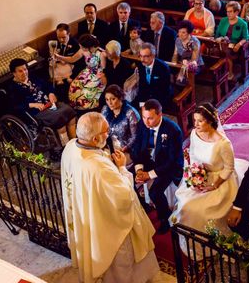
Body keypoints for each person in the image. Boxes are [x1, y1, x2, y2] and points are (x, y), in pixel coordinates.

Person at [60, 112, 159, 283]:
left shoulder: (70, 147)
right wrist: (121, 168)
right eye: (106, 131)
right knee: (122, 263)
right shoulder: (97, 167)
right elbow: (123, 197)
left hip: (88, 213)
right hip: (110, 225)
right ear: (94, 139)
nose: (109, 133)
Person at [172, 103, 239, 249]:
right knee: (185, 204)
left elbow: (229, 168)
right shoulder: (194, 134)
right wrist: (194, 175)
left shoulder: (223, 144)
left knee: (200, 211)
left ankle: (207, 242)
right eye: (194, 120)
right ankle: (190, 239)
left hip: (220, 180)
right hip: (199, 175)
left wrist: (215, 184)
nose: (195, 124)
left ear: (210, 121)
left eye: (200, 121)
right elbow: (193, 155)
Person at [129, 99, 184, 234]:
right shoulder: (143, 124)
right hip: (150, 160)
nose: (146, 122)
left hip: (168, 166)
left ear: (160, 115)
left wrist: (149, 174)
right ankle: (143, 207)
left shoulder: (173, 130)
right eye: (144, 117)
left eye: (150, 119)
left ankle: (165, 218)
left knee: (155, 192)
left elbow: (171, 161)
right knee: (128, 178)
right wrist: (139, 170)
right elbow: (137, 148)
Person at [7, 58, 77, 144]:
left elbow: (47, 86)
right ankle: (66, 145)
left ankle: (75, 143)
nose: (24, 73)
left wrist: (51, 93)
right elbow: (15, 107)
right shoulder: (13, 88)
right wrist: (31, 104)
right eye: (20, 71)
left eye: (25, 69)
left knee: (70, 113)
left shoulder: (32, 77)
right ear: (14, 73)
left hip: (50, 104)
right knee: (60, 120)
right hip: (38, 112)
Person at [56, 34, 107, 111]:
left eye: (82, 47)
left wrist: (99, 79)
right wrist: (59, 57)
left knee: (86, 92)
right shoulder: (83, 50)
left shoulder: (101, 54)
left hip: (98, 75)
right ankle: (75, 105)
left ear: (89, 47)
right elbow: (72, 59)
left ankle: (84, 106)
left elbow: (104, 69)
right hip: (87, 72)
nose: (81, 49)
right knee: (74, 87)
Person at [214, 1, 249, 81]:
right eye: (227, 11)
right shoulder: (223, 20)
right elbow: (217, 34)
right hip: (222, 43)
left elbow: (246, 37)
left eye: (230, 12)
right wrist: (219, 38)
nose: (228, 14)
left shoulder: (242, 23)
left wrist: (239, 44)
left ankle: (230, 73)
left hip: (234, 46)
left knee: (227, 52)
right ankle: (219, 73)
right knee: (215, 51)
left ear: (236, 12)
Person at [101, 84, 139, 154]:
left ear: (120, 98)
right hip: (107, 147)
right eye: (107, 99)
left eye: (113, 99)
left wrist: (124, 149)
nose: (110, 103)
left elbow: (135, 136)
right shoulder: (105, 110)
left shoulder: (130, 113)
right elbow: (100, 129)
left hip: (125, 150)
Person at [136, 43, 173, 109]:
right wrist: (142, 103)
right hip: (147, 96)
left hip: (160, 98)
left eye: (145, 56)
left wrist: (152, 104)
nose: (142, 59)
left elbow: (164, 90)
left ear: (153, 56)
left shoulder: (163, 68)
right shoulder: (141, 65)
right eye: (141, 56)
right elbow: (142, 86)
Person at [51, 23, 81, 102]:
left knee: (66, 87)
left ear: (69, 34)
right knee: (57, 87)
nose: (61, 40)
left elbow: (79, 63)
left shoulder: (75, 44)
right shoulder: (55, 43)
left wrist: (72, 76)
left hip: (72, 71)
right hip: (59, 71)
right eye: (59, 37)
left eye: (63, 37)